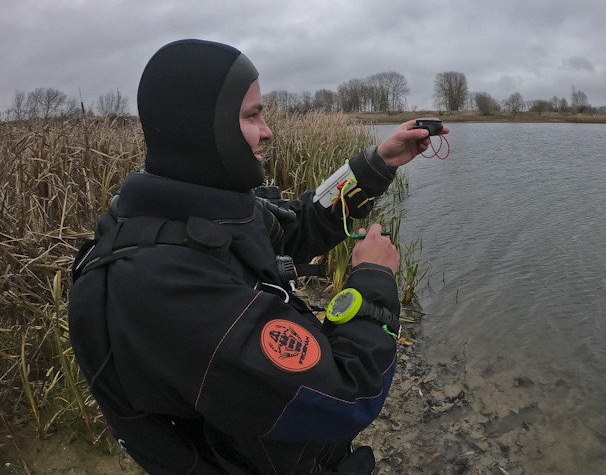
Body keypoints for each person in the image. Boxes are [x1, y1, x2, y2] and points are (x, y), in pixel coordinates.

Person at [68, 39, 448, 475]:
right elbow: (346, 395)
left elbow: (300, 225)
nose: (267, 130)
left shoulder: (200, 209)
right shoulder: (165, 284)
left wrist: (378, 163)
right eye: (252, 116)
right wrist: (373, 277)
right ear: (201, 127)